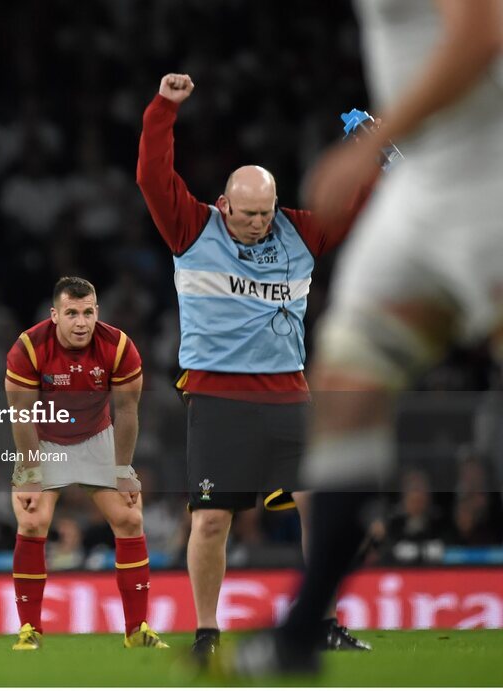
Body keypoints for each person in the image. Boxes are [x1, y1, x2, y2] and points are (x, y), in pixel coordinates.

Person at [237, 0, 503, 675]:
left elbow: (482, 33)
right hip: (422, 194)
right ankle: (302, 633)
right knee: (346, 391)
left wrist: (362, 149)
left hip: (489, 180)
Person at [135, 72, 370, 663]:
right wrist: (164, 109)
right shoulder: (191, 227)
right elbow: (150, 176)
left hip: (290, 395)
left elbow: (358, 203)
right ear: (223, 203)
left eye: (264, 213)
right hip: (219, 401)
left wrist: (378, 153)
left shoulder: (301, 231)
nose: (256, 224)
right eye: (245, 214)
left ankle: (320, 621)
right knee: (212, 522)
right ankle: (207, 633)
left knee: (320, 507)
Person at [4, 276, 167, 651]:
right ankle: (30, 630)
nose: (81, 322)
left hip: (97, 437)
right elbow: (21, 415)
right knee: (32, 521)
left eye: (88, 312)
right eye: (72, 313)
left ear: (98, 312)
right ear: (55, 315)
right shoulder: (28, 347)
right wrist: (29, 474)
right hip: (44, 440)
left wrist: (123, 470)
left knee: (130, 519)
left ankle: (137, 630)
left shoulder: (119, 346)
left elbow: (126, 411)